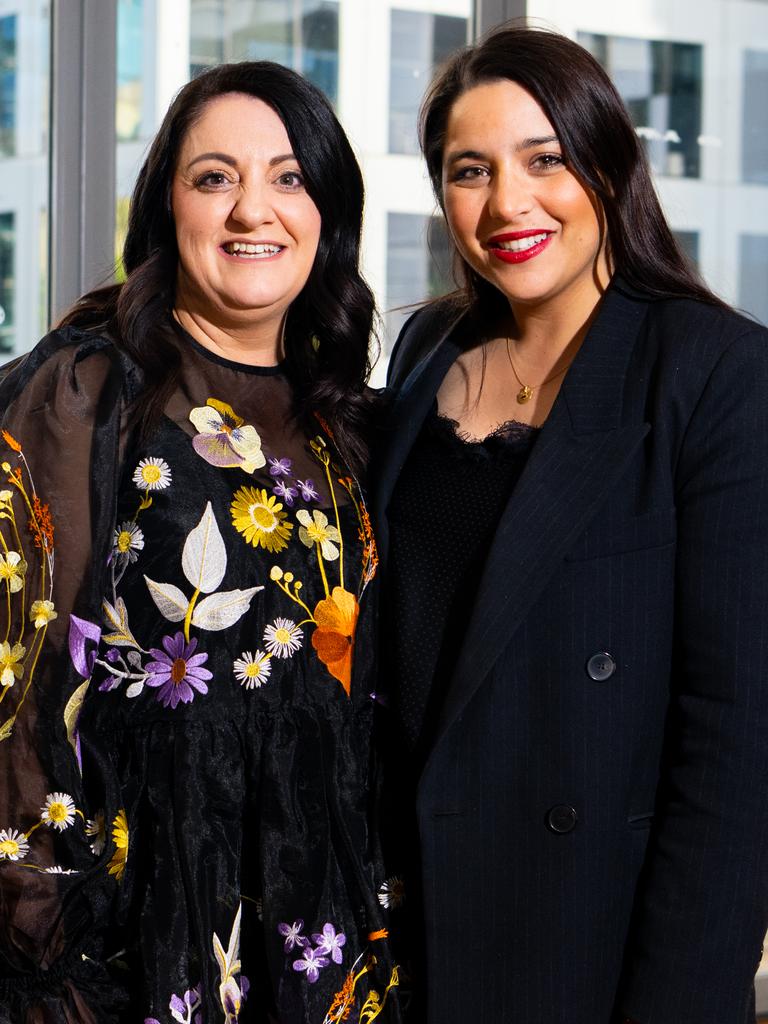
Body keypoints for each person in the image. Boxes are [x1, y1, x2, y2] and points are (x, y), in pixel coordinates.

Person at [374, 24, 768, 1024]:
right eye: (471, 170)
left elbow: (734, 751)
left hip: (578, 942)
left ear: (608, 162)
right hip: (397, 926)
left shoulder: (714, 373)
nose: (509, 203)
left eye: (544, 159)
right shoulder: (427, 348)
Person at [0, 62, 400, 1024]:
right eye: (214, 176)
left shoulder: (351, 419)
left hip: (327, 929)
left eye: (288, 177)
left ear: (326, 212)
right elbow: (19, 691)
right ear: (166, 206)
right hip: (140, 939)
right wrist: (44, 955)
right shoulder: (89, 391)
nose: (250, 210)